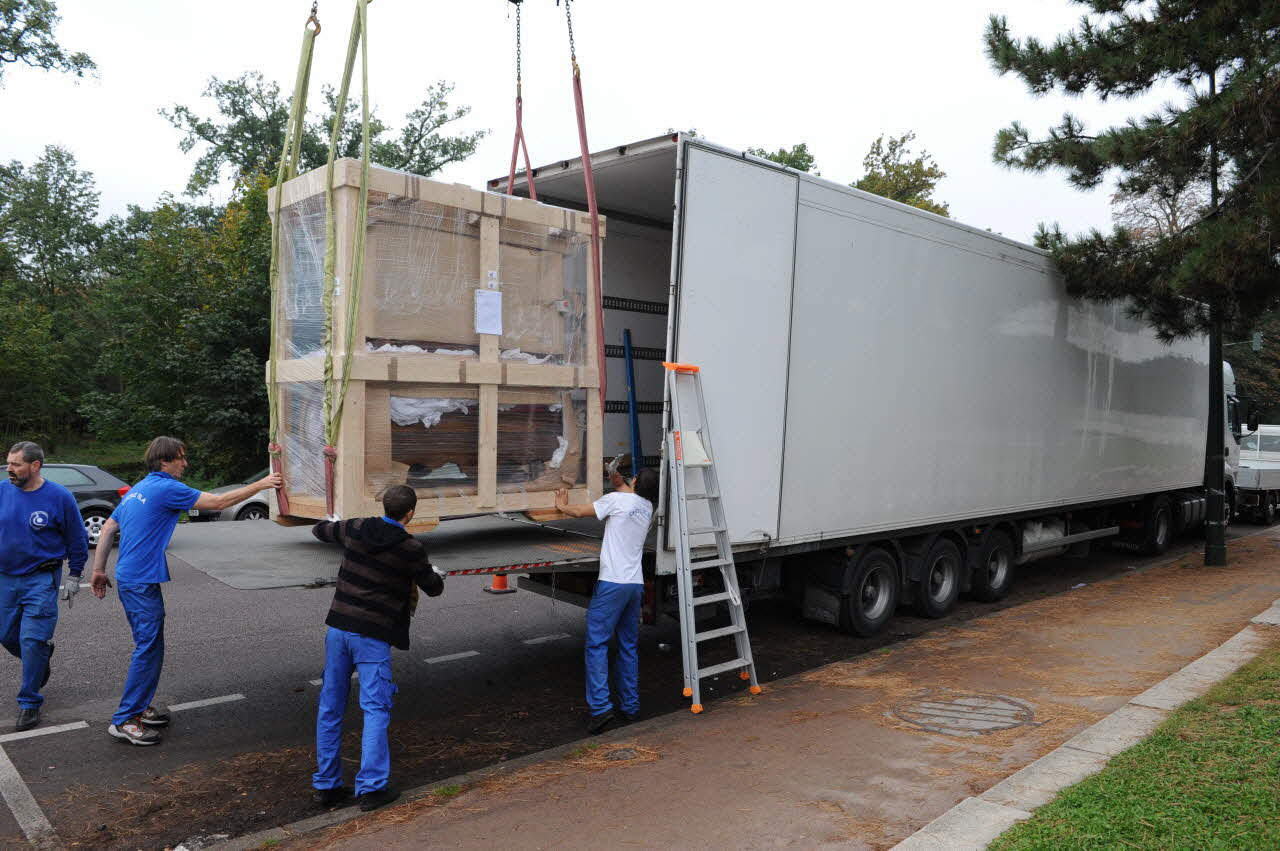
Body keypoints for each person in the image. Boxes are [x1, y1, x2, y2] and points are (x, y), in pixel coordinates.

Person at [89, 436, 282, 746]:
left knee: (150, 645)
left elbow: (110, 527)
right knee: (148, 647)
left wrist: (98, 570)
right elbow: (218, 503)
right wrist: (262, 485)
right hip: (138, 581)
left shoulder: (141, 487)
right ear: (165, 461)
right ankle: (125, 720)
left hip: (131, 576)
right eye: (181, 458)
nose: (185, 463)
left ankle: (139, 706)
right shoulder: (166, 488)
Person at [310, 484, 444, 812]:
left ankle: (327, 786)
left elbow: (320, 530)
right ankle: (371, 789)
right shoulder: (410, 548)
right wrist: (436, 572)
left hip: (339, 628)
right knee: (375, 709)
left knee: (330, 707)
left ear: (383, 506)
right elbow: (434, 587)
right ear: (410, 514)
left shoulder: (357, 527)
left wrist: (332, 522)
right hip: (371, 636)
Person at [555, 463, 659, 734]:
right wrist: (614, 475)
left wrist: (562, 504)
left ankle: (601, 710)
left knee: (596, 644)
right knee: (627, 646)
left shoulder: (615, 501)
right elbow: (622, 489)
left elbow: (579, 512)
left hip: (612, 583)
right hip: (634, 586)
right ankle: (630, 708)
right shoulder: (646, 507)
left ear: (635, 482)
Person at [0, 441, 89, 731]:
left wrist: (75, 576)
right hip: (4, 577)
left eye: (16, 464)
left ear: (35, 465)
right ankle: (40, 656)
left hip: (41, 577)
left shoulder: (59, 497)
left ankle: (29, 703)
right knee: (7, 636)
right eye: (9, 463)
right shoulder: (2, 490)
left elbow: (76, 538)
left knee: (31, 639)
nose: (10, 469)